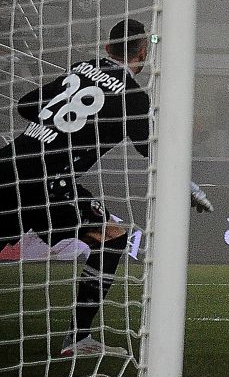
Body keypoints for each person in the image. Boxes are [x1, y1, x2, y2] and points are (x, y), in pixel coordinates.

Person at [0, 19, 214, 357]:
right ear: (142, 53)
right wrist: (188, 186)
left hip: (10, 162)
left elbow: (26, 104)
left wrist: (58, 123)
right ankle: (77, 338)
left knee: (108, 236)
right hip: (51, 181)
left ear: (106, 48)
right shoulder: (133, 97)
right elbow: (153, 151)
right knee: (112, 240)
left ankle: (78, 339)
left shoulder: (81, 68)